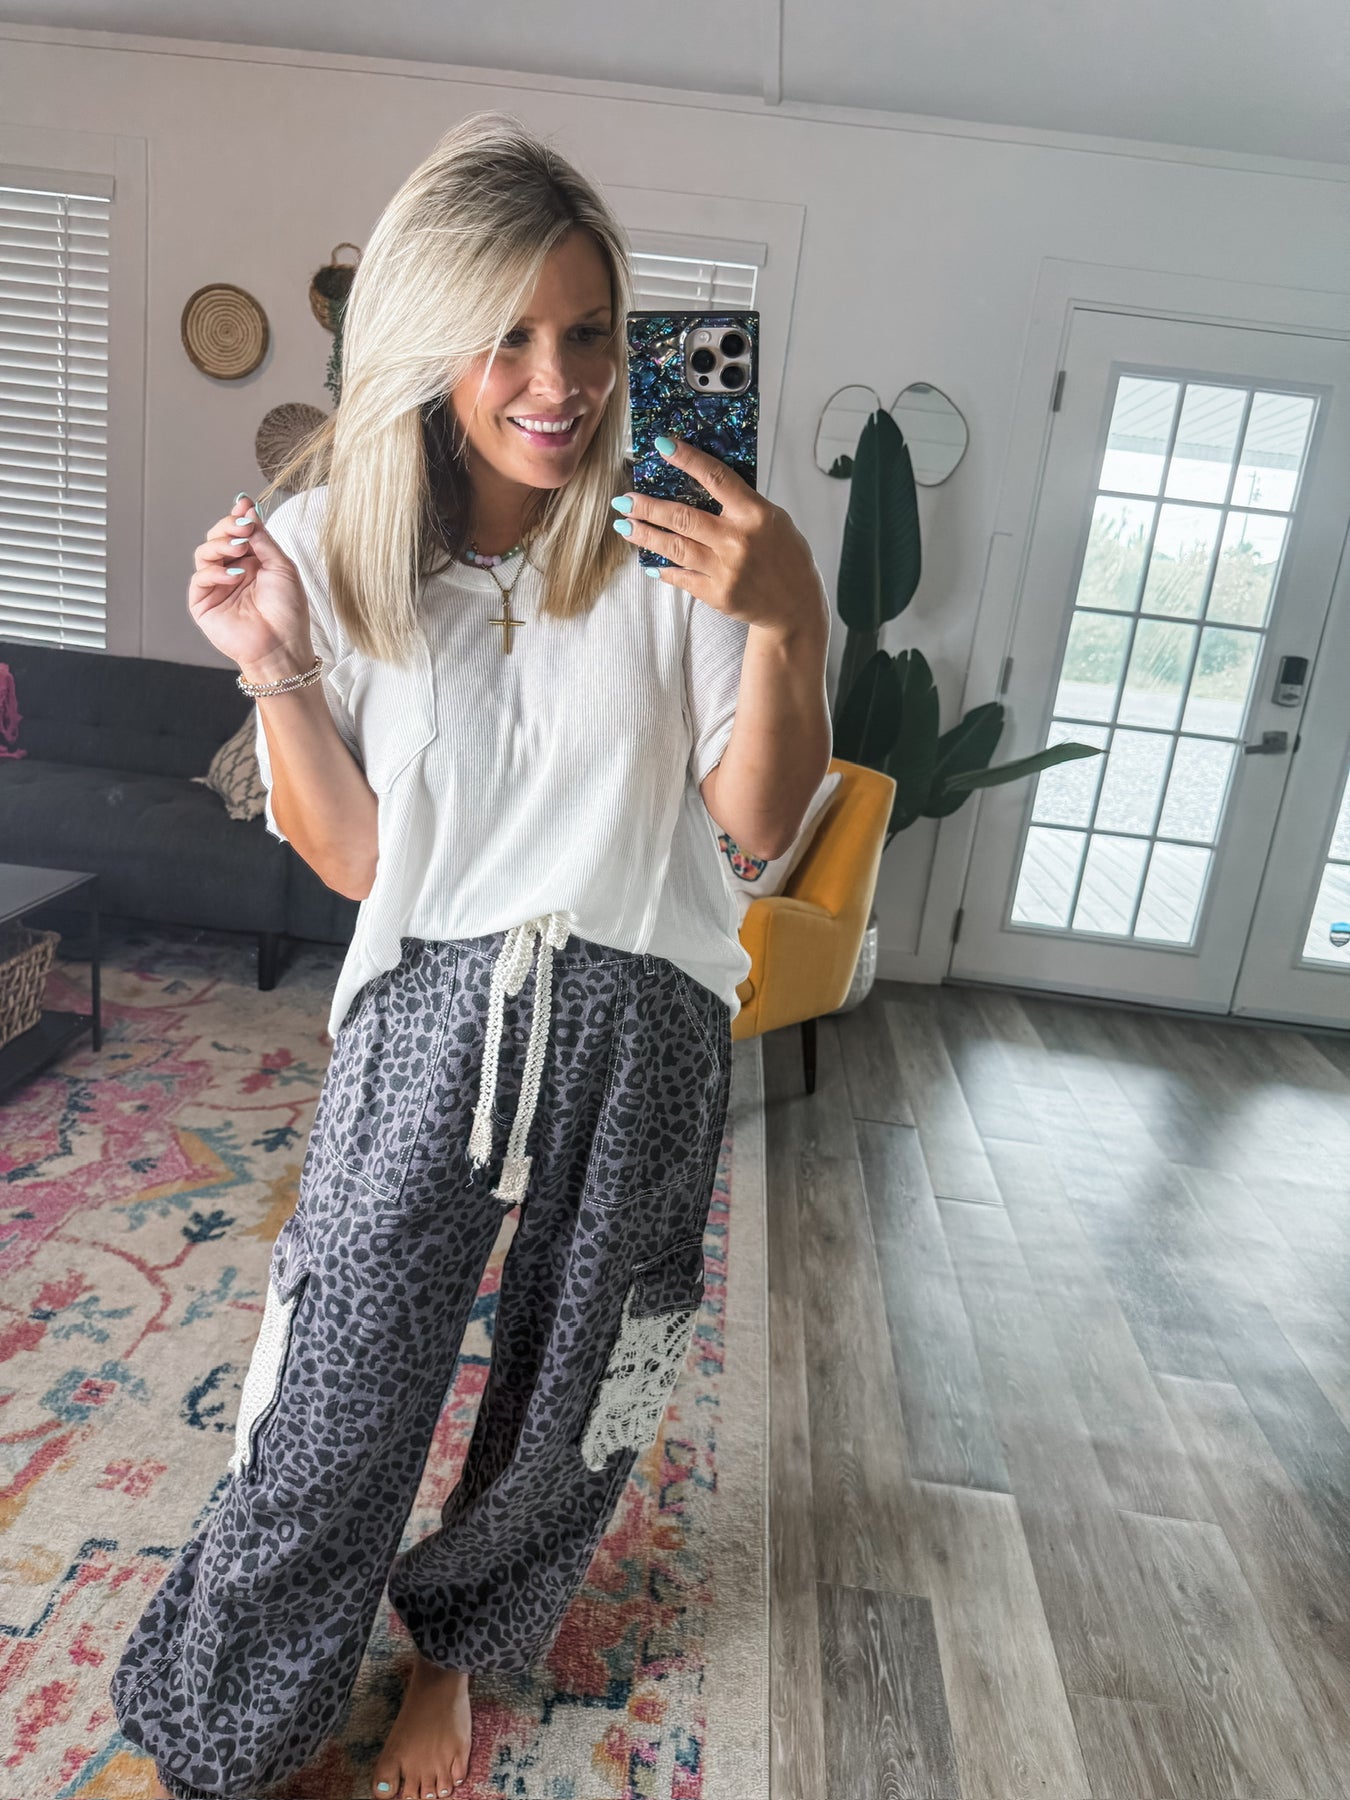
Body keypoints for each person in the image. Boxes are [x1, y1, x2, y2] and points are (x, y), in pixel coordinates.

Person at [108, 109, 831, 1800]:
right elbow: (358, 857)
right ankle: (233, 1716)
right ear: (429, 336)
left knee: (588, 1384)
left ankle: (457, 1651)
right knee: (334, 1387)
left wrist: (788, 619)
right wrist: (270, 661)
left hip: (646, 1012)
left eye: (588, 331)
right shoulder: (331, 544)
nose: (556, 381)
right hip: (428, 1002)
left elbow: (751, 828)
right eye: (506, 334)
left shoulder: (685, 537)